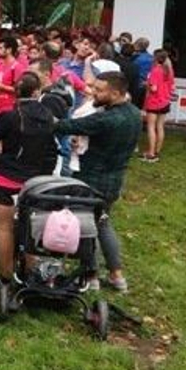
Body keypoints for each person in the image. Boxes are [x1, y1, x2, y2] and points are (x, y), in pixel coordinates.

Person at [53, 70, 143, 291]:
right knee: (102, 223)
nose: (93, 93)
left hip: (92, 179)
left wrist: (43, 116)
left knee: (85, 226)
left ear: (115, 92)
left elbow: (67, 126)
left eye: (99, 90)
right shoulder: (133, 113)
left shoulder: (106, 119)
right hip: (115, 179)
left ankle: (90, 274)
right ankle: (116, 275)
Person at [0, 72, 59, 285]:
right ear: (37, 91)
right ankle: (30, 270)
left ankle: (6, 276)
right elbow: (51, 150)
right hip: (33, 180)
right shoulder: (48, 117)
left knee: (4, 228)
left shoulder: (10, 116)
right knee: (30, 226)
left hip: (4, 177)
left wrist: (0, 147)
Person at [141, 48, 175, 161]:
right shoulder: (169, 71)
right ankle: (157, 151)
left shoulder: (155, 70)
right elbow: (172, 87)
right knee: (160, 126)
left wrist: (147, 84)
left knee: (151, 127)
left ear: (155, 58)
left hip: (154, 102)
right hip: (165, 101)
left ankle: (150, 153)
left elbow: (154, 88)